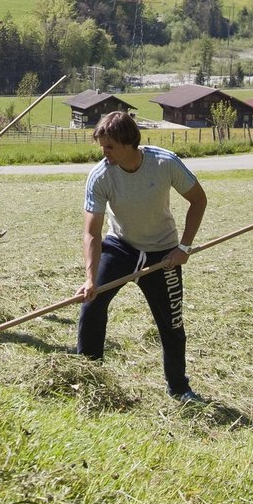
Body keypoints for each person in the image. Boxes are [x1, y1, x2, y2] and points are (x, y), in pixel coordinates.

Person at [76, 110, 208, 404]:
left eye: (110, 146)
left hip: (163, 250)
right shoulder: (100, 175)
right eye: (102, 146)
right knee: (92, 303)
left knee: (172, 322)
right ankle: (88, 378)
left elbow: (199, 200)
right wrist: (90, 279)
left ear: (128, 142)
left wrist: (184, 248)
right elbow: (92, 233)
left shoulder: (165, 163)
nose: (104, 152)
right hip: (120, 245)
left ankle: (179, 388)